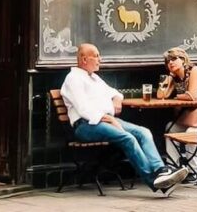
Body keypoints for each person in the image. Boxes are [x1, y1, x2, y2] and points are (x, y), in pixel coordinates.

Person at [60, 44, 188, 195]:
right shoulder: (73, 78)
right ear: (84, 59)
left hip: (106, 121)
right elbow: (83, 110)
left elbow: (115, 92)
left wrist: (116, 98)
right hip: (86, 126)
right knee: (127, 138)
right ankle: (154, 180)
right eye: (96, 56)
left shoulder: (94, 77)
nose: (100, 59)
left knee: (143, 132)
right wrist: (110, 120)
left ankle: (161, 170)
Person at [158, 47, 197, 172]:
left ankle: (192, 170)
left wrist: (177, 97)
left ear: (183, 60)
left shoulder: (194, 71)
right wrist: (169, 78)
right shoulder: (175, 77)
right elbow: (161, 95)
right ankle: (173, 167)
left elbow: (192, 95)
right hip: (194, 118)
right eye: (168, 61)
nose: (170, 62)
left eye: (174, 59)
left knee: (192, 132)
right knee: (170, 128)